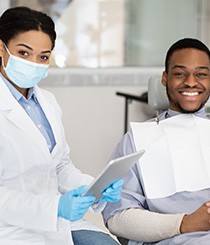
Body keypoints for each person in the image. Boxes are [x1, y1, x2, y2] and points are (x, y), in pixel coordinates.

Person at [102, 38, 210, 245]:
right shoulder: (137, 140)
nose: (190, 82)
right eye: (180, 74)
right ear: (165, 78)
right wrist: (185, 223)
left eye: (201, 74)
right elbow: (117, 219)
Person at [0, 6, 123, 245]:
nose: (34, 63)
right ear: (1, 49)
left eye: (43, 57)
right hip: (10, 229)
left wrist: (92, 187)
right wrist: (55, 207)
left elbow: (59, 166)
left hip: (57, 224)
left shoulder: (47, 102)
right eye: (24, 53)